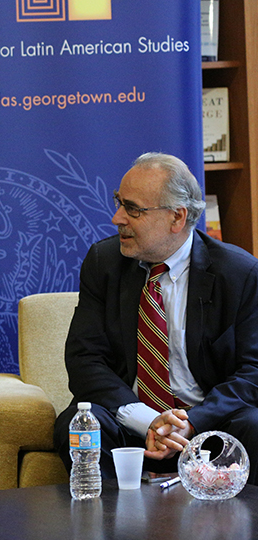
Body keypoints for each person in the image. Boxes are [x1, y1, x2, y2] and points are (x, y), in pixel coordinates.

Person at [54, 152, 258, 484]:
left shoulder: (239, 273)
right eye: (119, 203)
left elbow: (253, 372)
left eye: (132, 209)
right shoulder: (103, 263)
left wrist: (191, 422)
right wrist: (149, 420)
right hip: (131, 424)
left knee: (254, 424)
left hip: (206, 425)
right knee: (74, 427)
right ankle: (107, 530)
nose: (117, 218)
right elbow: (84, 359)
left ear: (177, 217)